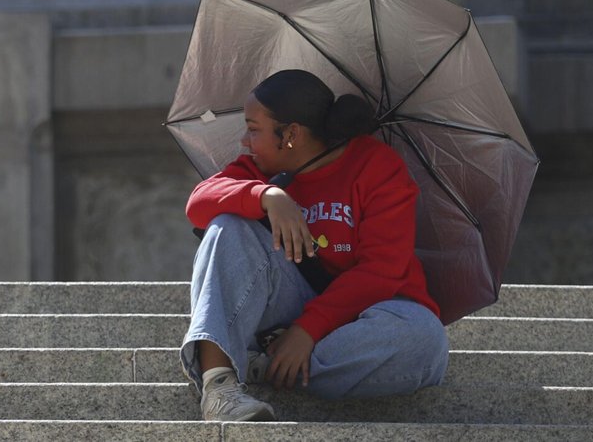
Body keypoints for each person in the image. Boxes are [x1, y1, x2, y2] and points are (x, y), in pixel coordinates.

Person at [181, 68, 447, 422]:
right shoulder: (260, 169)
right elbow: (198, 203)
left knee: (425, 339)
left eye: (254, 129)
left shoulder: (378, 166)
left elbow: (381, 272)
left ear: (290, 134)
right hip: (288, 305)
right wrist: (266, 194)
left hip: (360, 317)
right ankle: (219, 388)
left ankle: (268, 366)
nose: (245, 140)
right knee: (227, 225)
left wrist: (307, 330)